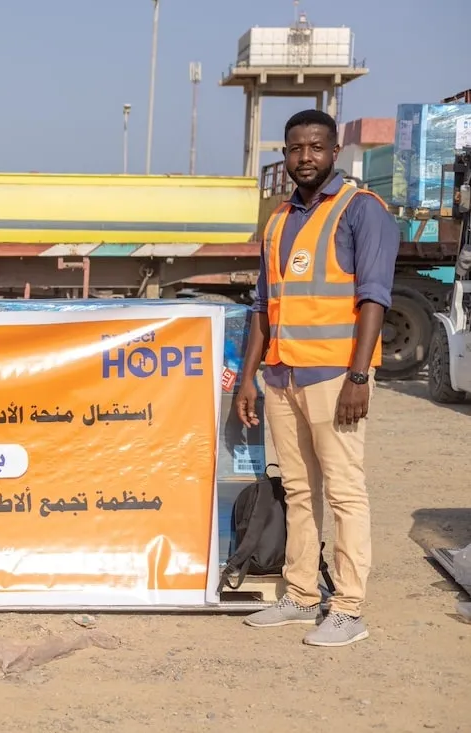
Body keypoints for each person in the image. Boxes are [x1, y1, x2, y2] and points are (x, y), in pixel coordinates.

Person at [233, 109, 400, 647]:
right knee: (300, 490)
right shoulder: (279, 219)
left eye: (315, 147)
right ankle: (302, 595)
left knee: (345, 491)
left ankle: (348, 608)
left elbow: (374, 298)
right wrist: (249, 377)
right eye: (295, 148)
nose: (305, 157)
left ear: (334, 152)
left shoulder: (361, 209)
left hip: (334, 376)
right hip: (283, 375)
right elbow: (264, 305)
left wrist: (359, 376)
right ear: (285, 155)